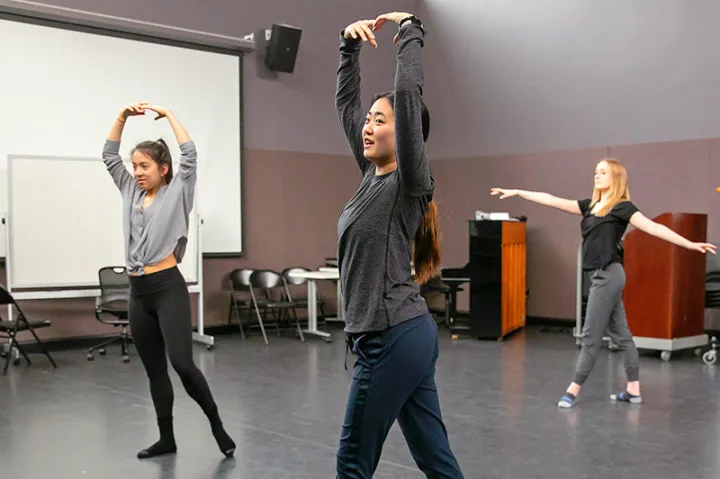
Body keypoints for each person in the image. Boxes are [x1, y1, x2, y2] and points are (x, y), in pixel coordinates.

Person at [334, 12, 464, 478]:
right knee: (435, 459)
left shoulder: (411, 181)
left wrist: (410, 31)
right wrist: (348, 49)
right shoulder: (373, 176)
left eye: (380, 121)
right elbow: (347, 105)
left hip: (389, 337)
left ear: (405, 133)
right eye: (369, 120)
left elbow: (408, 97)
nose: (368, 126)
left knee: (353, 462)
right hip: (404, 332)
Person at [490, 158, 716, 408]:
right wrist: (518, 192)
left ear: (615, 178)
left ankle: (572, 390)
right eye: (596, 171)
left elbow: (653, 228)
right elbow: (552, 199)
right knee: (622, 334)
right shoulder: (590, 206)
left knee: (589, 336)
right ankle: (633, 390)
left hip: (609, 274)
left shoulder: (622, 207)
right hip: (601, 275)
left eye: (603, 172)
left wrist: (689, 243)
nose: (597, 175)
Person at [103, 102, 235, 458]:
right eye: (135, 166)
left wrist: (171, 116)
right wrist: (121, 118)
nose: (138, 172)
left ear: (163, 169)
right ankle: (167, 439)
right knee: (155, 371)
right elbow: (109, 155)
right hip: (138, 293)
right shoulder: (131, 191)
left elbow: (189, 154)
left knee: (182, 363)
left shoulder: (178, 191)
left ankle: (217, 426)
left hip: (167, 290)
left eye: (144, 166)